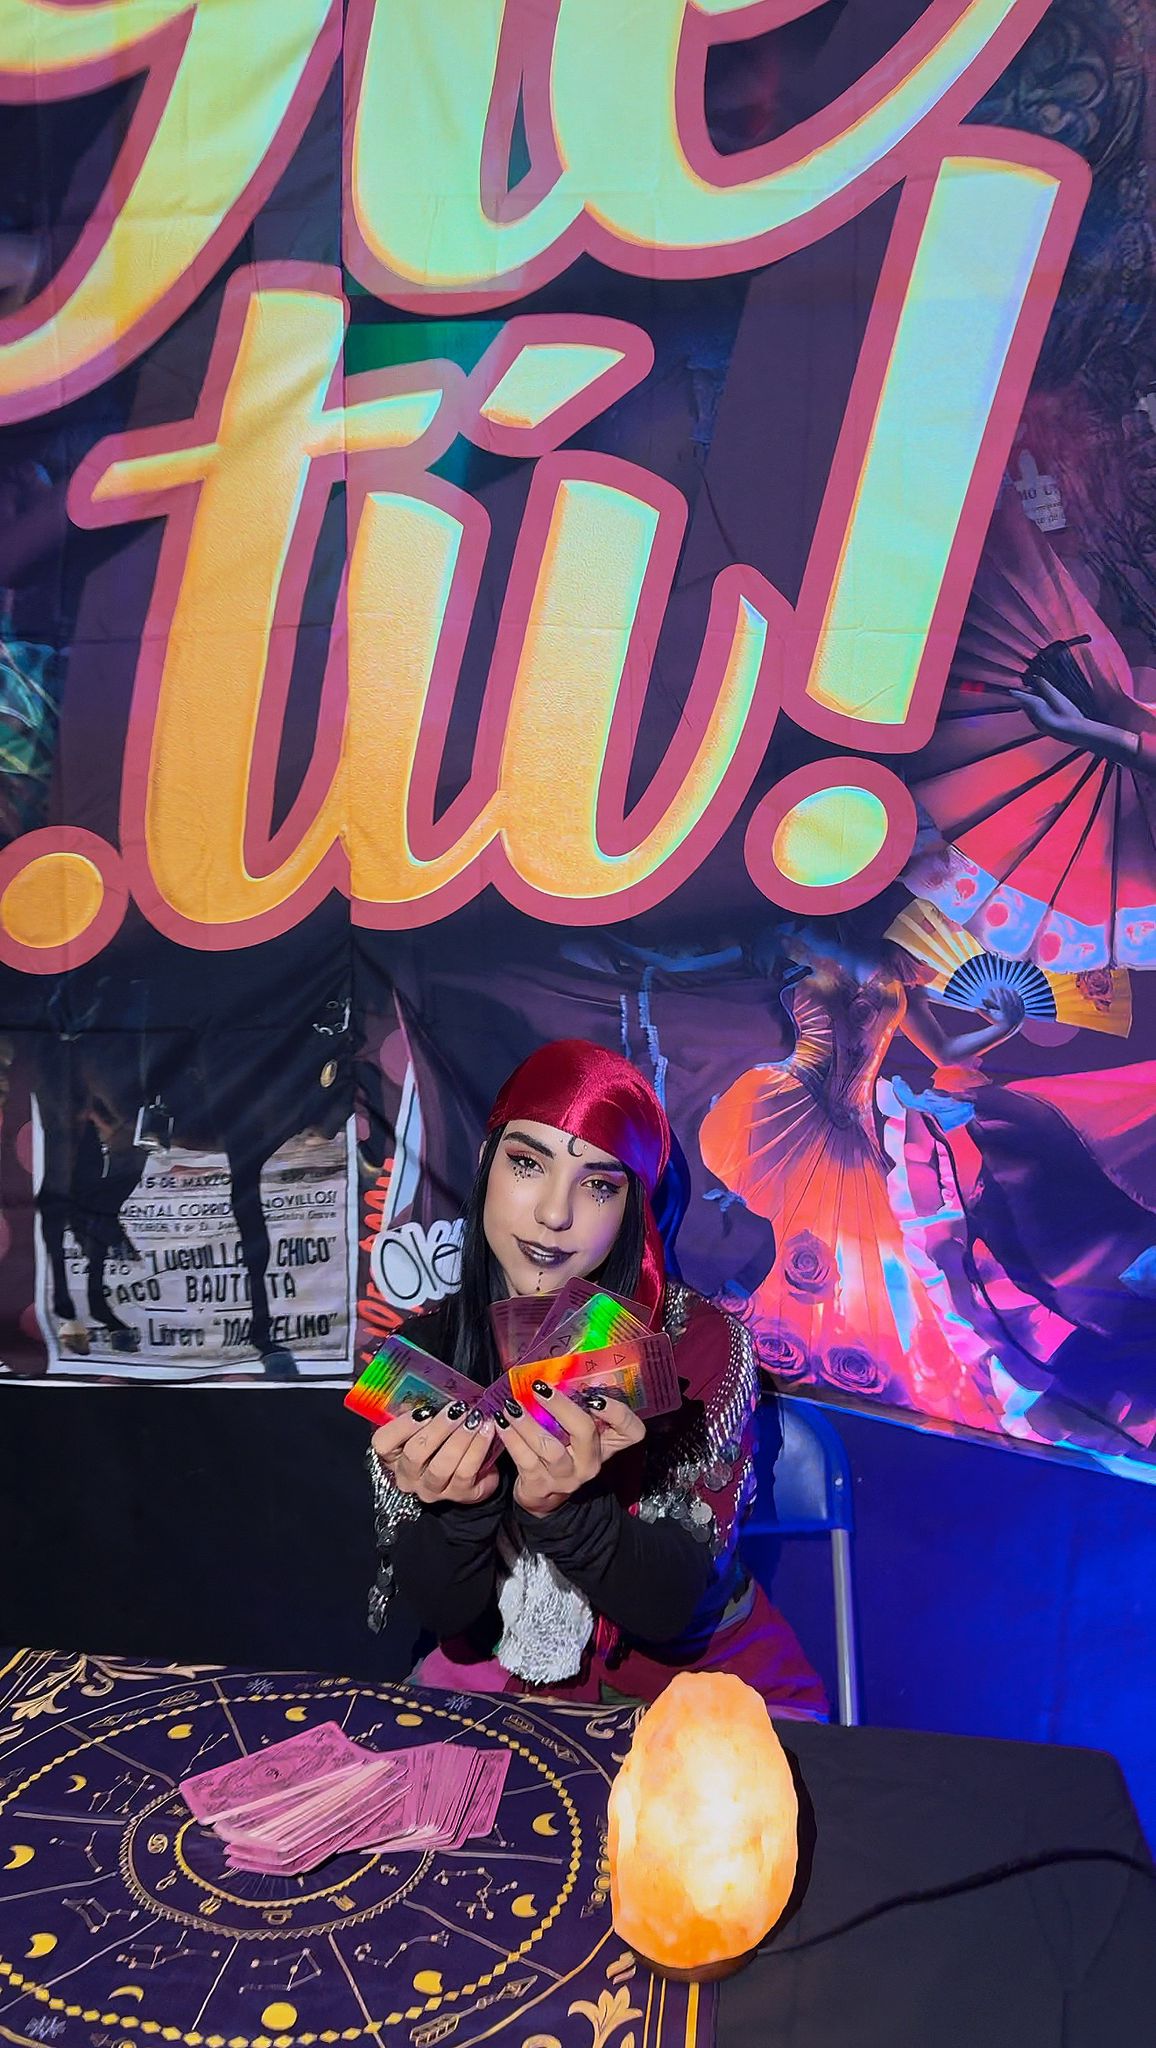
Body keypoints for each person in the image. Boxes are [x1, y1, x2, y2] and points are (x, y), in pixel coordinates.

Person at [366, 1037, 826, 1715]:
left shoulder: (695, 1345)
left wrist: (568, 1510)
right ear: (488, 1164)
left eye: (599, 1185)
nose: (554, 1214)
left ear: (632, 1205)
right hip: (496, 1677)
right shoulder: (424, 1352)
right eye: (528, 1163)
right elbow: (443, 1614)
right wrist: (461, 1512)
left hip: (692, 1686)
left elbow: (669, 1605)